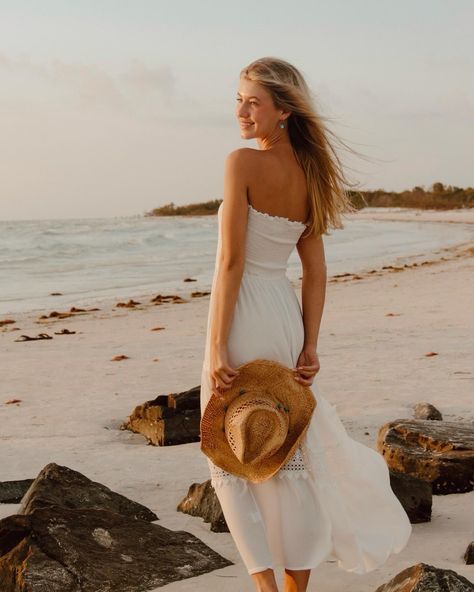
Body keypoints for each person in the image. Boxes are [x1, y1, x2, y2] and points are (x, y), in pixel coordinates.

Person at [199, 57, 411, 592]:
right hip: (284, 317)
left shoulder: (241, 163)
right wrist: (310, 342)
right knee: (286, 451)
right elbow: (315, 272)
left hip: (242, 312)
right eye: (239, 99)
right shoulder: (310, 174)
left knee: (235, 451)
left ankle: (269, 588)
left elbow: (230, 263)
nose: (242, 111)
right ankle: (295, 586)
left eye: (254, 102)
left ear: (284, 110)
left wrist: (219, 343)